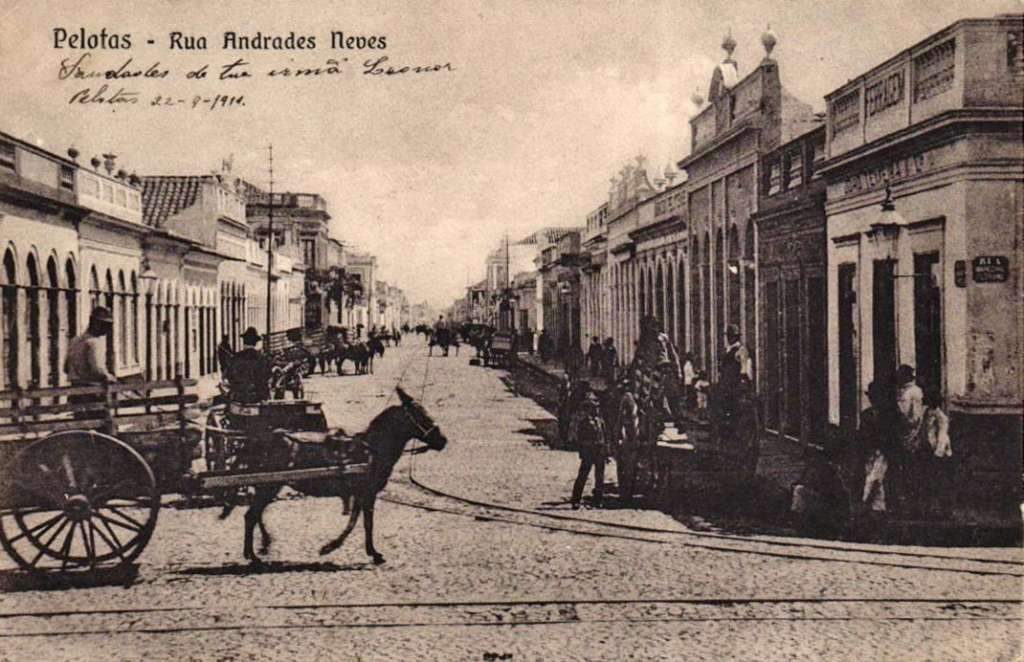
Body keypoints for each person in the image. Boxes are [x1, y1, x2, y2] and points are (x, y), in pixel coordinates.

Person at [64, 307, 117, 419]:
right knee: (103, 425)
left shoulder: (75, 340)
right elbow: (98, 370)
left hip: (76, 392)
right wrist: (110, 378)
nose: (107, 330)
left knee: (82, 425)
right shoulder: (94, 343)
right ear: (96, 324)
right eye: (105, 325)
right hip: (92, 393)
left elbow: (65, 368)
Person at [569, 388, 610, 509]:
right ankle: (576, 500)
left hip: (599, 452)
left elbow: (605, 436)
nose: (596, 410)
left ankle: (598, 500)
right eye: (594, 408)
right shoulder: (584, 422)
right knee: (583, 476)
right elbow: (580, 439)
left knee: (600, 477)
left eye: (597, 408)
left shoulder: (600, 421)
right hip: (589, 452)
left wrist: (606, 451)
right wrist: (583, 451)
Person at [894, 364, 924, 513]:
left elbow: (915, 417)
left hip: (910, 433)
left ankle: (912, 504)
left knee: (910, 468)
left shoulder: (915, 392)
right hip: (901, 433)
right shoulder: (902, 391)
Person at [225, 327, 273, 404]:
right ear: (256, 343)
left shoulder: (236, 358)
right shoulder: (262, 358)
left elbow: (229, 376)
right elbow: (268, 376)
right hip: (258, 397)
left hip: (239, 397)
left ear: (244, 342)